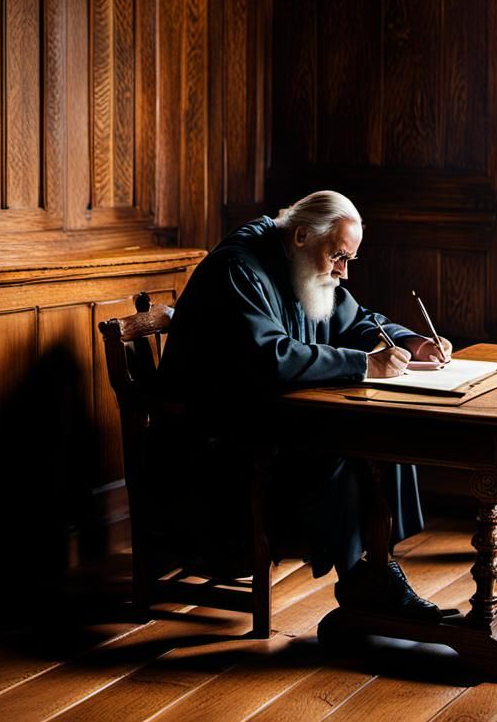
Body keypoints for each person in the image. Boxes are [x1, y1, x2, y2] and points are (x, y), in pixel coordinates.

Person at [156, 190, 453, 619]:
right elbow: (270, 357)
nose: (343, 273)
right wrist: (364, 364)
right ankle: (365, 581)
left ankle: (374, 572)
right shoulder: (239, 270)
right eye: (338, 257)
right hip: (216, 451)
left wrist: (412, 341)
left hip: (262, 426)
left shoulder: (300, 262)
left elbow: (354, 319)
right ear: (300, 236)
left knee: (386, 440)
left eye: (348, 260)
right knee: (349, 450)